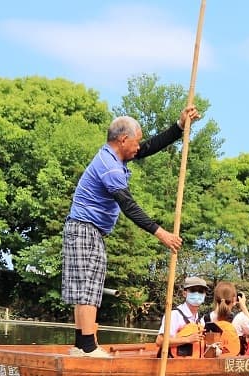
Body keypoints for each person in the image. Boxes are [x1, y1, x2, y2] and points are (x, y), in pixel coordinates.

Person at [62, 107, 200, 357]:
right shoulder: (110, 166)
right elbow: (128, 205)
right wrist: (162, 234)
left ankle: (82, 345)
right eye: (135, 141)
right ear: (123, 139)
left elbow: (149, 147)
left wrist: (179, 127)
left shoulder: (117, 156)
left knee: (90, 286)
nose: (139, 147)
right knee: (86, 288)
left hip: (90, 230)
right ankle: (86, 346)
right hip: (84, 228)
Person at [156, 276, 208, 357]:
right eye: (193, 290)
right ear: (184, 293)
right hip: (174, 365)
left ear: (205, 295)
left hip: (195, 365)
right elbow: (160, 341)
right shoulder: (174, 315)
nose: (197, 294)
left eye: (201, 291)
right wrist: (187, 339)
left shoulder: (201, 319)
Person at [208, 282, 249, 354]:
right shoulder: (240, 318)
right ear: (234, 300)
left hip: (212, 362)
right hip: (233, 362)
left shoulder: (206, 319)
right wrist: (243, 306)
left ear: (215, 299)